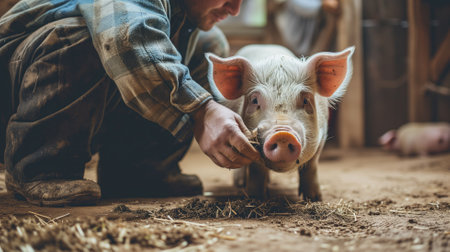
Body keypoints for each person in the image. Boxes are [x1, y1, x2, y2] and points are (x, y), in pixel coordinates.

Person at [0, 0, 260, 207]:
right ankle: (40, 165)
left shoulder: (186, 19)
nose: (235, 9)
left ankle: (137, 170)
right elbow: (125, 39)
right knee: (94, 34)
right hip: (11, 98)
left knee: (207, 44)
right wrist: (202, 110)